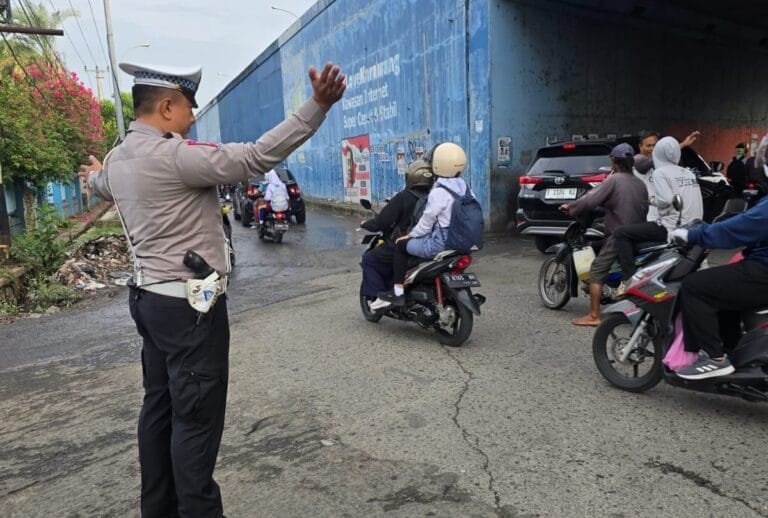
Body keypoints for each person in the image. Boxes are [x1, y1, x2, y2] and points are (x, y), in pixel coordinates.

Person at [79, 61, 345, 517]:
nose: (192, 117)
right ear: (166, 107)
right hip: (189, 311)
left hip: (148, 302)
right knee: (196, 421)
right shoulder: (177, 156)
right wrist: (317, 106)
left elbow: (100, 183)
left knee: (159, 408)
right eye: (189, 107)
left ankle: (158, 509)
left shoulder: (120, 159)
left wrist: (94, 174)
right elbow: (256, 157)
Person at [670, 140, 768, 379]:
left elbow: (740, 228)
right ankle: (731, 348)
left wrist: (693, 235)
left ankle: (715, 358)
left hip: (762, 271)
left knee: (695, 286)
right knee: (724, 289)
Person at [370, 142, 469, 310]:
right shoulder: (464, 187)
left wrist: (411, 235)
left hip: (442, 242)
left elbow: (427, 220)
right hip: (464, 239)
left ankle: (397, 292)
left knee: (401, 245)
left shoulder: (438, 191)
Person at [560, 143, 648, 326]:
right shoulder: (640, 184)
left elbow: (590, 199)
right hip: (638, 234)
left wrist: (571, 207)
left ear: (614, 162)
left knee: (596, 270)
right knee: (597, 247)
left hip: (619, 235)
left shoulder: (614, 180)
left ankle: (594, 315)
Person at [613, 137, 704, 287]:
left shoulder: (660, 172)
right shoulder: (688, 173)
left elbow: (665, 200)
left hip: (670, 226)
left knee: (621, 233)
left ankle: (629, 279)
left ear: (658, 152)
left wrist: (651, 200)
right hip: (693, 225)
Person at [359, 159, 435, 298]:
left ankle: (380, 297)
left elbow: (382, 222)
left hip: (406, 245)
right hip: (430, 244)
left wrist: (365, 224)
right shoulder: (436, 197)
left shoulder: (403, 197)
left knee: (369, 259)